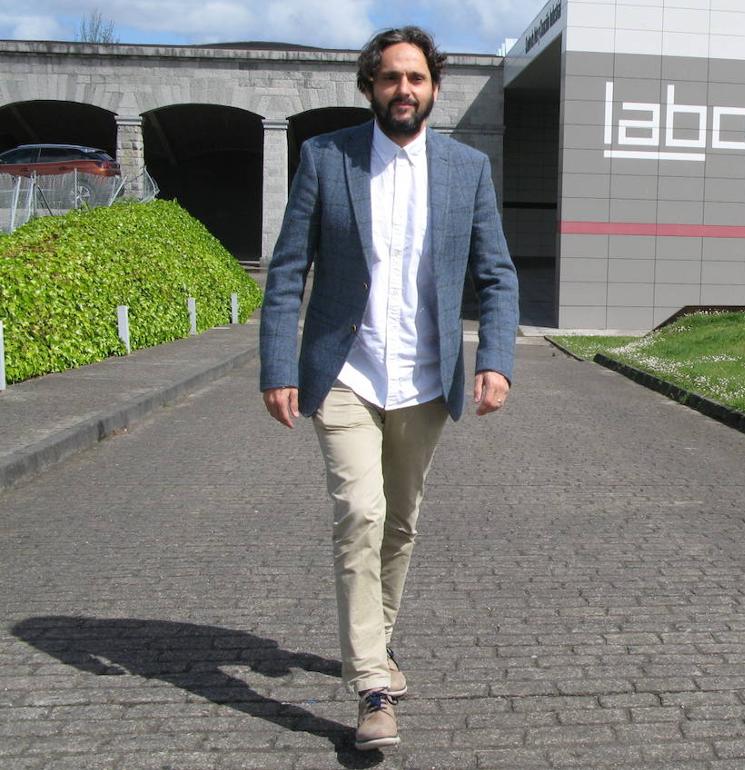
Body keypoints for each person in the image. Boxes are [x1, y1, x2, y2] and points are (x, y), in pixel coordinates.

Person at [258, 26, 518, 752]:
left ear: (434, 88)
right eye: (390, 78)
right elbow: (286, 272)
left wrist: (495, 357)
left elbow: (496, 273)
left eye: (416, 78)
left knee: (401, 523)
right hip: (345, 372)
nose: (404, 89)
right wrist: (278, 363)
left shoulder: (467, 169)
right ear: (370, 87)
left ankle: (376, 639)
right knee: (361, 516)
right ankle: (373, 684)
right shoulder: (325, 158)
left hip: (425, 380)